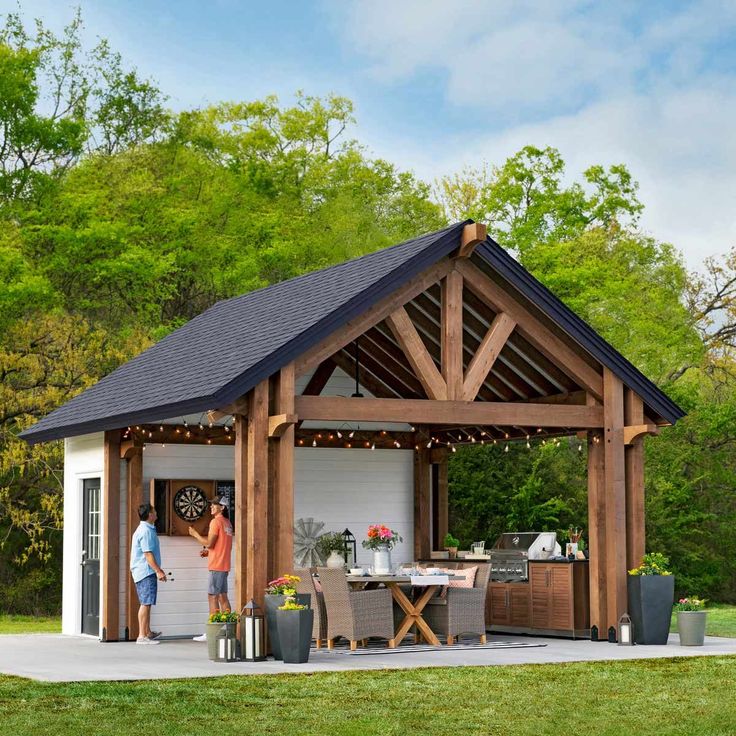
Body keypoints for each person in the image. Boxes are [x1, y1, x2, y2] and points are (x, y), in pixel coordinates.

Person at [188, 496, 234, 641]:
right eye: (212, 504)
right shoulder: (227, 523)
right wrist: (209, 552)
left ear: (223, 507)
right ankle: (227, 628)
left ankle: (213, 630)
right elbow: (221, 545)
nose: (211, 507)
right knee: (222, 596)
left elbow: (210, 543)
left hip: (216, 565)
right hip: (224, 564)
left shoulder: (216, 522)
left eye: (215, 505)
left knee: (212, 596)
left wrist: (195, 534)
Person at [130, 503, 166, 644]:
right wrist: (158, 571)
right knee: (145, 603)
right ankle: (141, 636)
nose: (156, 513)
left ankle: (148, 632)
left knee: (148, 602)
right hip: (145, 571)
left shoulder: (147, 529)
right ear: (150, 515)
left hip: (144, 570)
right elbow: (148, 554)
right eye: (154, 511)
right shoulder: (145, 531)